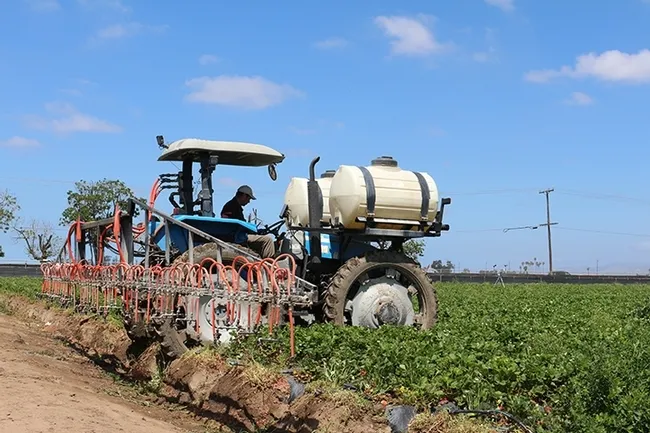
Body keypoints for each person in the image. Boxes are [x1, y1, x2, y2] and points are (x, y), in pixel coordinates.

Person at [220, 185, 276, 258]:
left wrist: (256, 231)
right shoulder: (231, 206)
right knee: (268, 240)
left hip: (239, 235)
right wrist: (253, 231)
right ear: (243, 195)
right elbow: (231, 224)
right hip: (237, 236)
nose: (249, 202)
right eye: (248, 198)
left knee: (262, 238)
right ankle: (269, 264)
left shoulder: (235, 206)